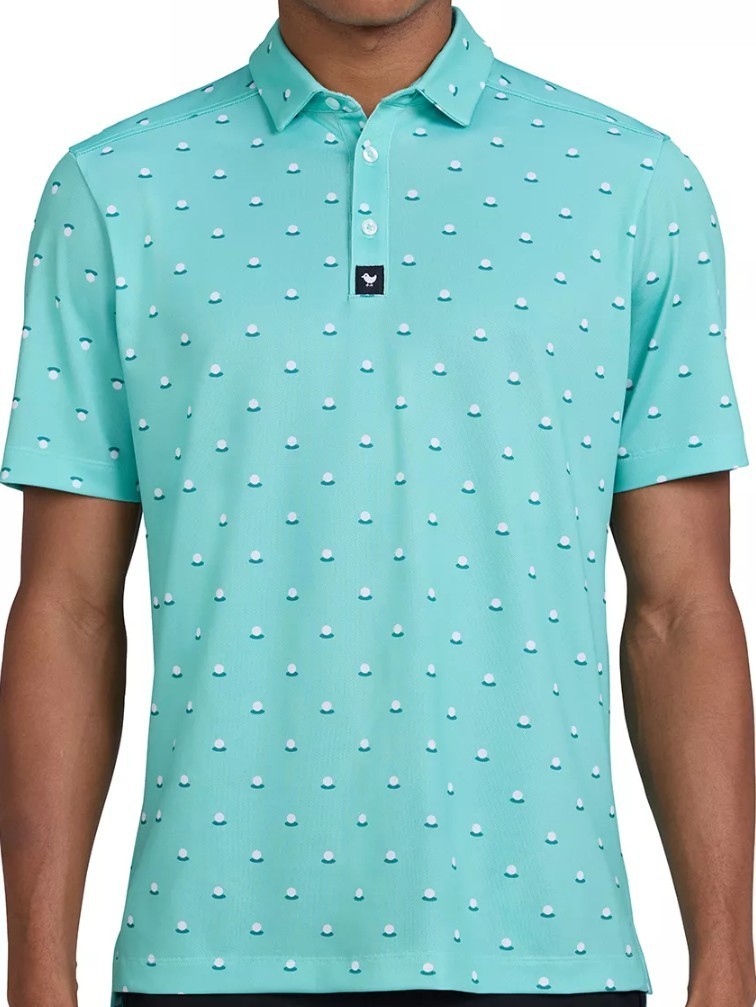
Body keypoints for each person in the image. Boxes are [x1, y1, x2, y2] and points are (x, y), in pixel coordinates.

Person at [0, 1, 754, 1006]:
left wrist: (728, 962)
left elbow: (682, 610)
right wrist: (34, 970)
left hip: (551, 954)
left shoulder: (636, 187)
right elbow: (67, 609)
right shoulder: (114, 190)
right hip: (206, 956)